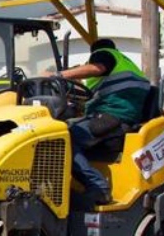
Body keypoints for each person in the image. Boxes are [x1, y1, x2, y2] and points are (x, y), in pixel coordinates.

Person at [59, 38, 151, 207]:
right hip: (120, 115)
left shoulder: (105, 56)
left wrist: (59, 75)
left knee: (63, 139)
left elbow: (97, 67)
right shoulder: (125, 64)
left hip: (112, 116)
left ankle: (98, 187)